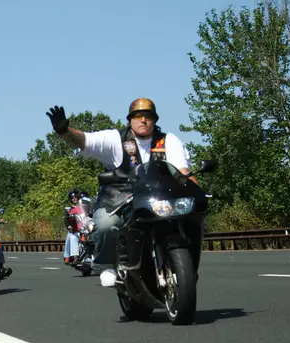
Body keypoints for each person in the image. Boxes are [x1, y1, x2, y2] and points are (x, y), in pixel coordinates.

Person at [46, 98, 197, 287]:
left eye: (148, 116)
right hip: (119, 197)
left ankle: (186, 263)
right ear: (130, 119)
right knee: (107, 224)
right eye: (138, 116)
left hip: (157, 198)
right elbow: (83, 140)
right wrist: (64, 131)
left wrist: (195, 190)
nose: (143, 120)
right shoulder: (115, 139)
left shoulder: (168, 141)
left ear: (155, 119)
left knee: (191, 216)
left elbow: (183, 171)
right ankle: (108, 263)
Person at [63, 189, 82, 265]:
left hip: (85, 227)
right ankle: (72, 257)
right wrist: (69, 226)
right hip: (75, 229)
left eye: (75, 197)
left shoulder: (84, 206)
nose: (74, 199)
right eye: (72, 198)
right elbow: (66, 220)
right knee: (71, 235)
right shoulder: (69, 209)